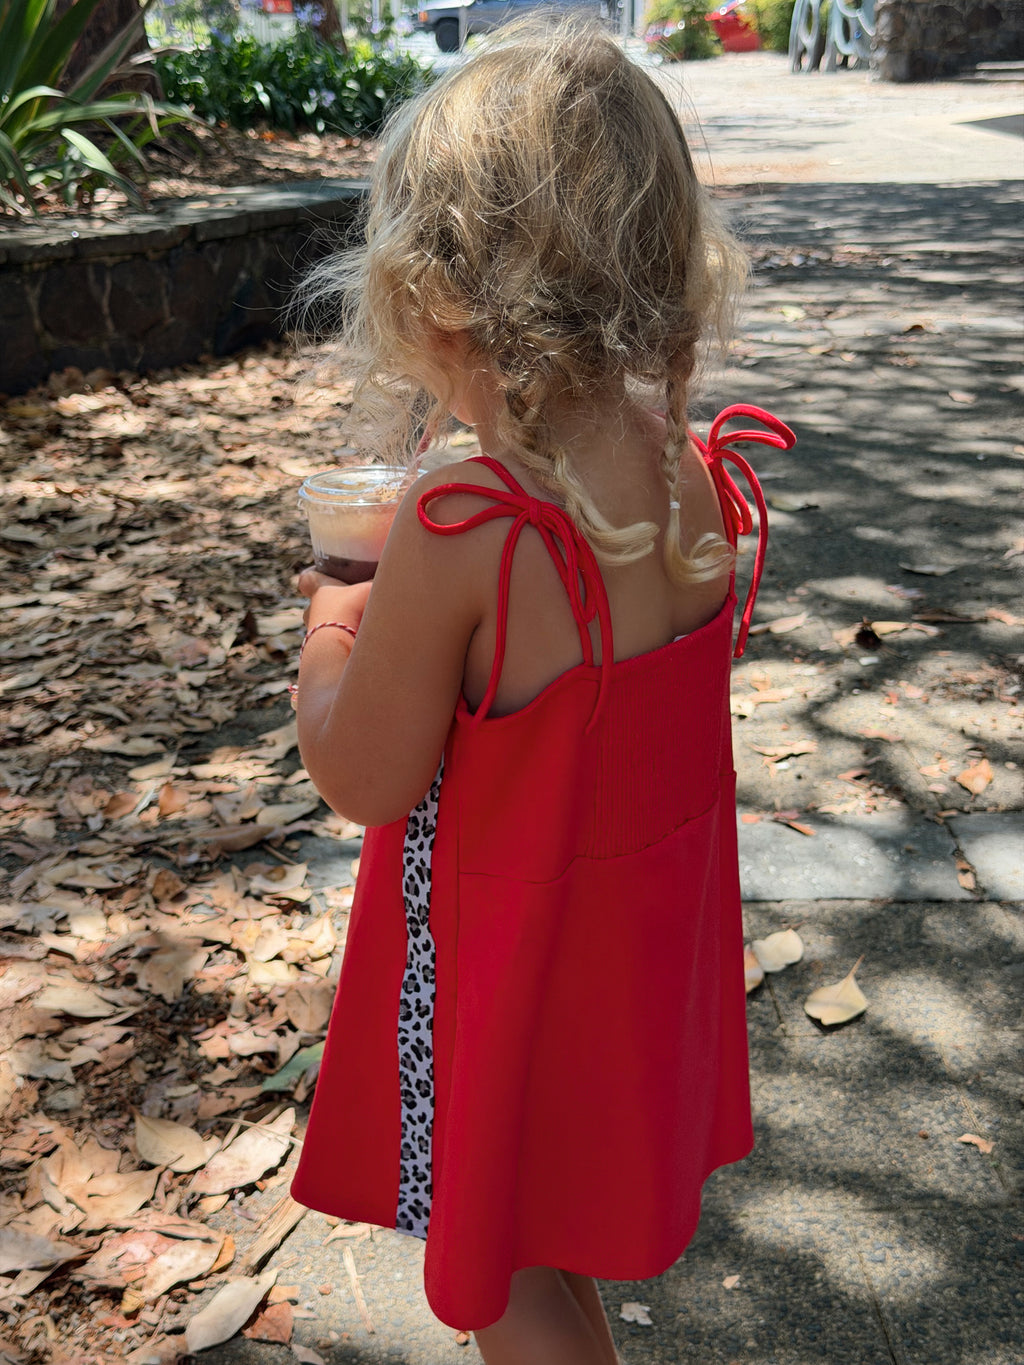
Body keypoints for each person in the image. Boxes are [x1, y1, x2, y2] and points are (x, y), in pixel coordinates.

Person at [289, 15, 795, 1364]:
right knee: (552, 1223)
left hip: (503, 970)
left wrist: (336, 620)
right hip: (631, 958)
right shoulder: (688, 471)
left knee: (499, 1266)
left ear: (439, 296)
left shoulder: (470, 521)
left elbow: (365, 773)